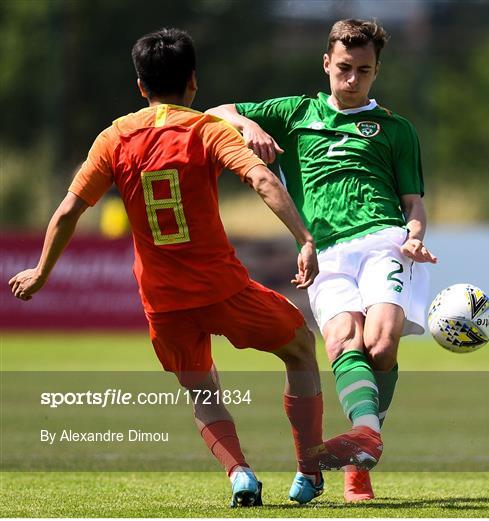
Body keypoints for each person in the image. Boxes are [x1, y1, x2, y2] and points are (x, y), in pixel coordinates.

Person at [8, 28, 379, 507]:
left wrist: (40, 272)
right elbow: (262, 178)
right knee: (300, 348)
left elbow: (67, 212)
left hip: (164, 300)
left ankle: (240, 475)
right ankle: (308, 469)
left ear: (141, 86)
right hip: (224, 289)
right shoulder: (205, 130)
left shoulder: (114, 137)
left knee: (202, 388)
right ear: (194, 82)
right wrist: (304, 238)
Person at [207, 18, 437, 502]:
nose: (353, 80)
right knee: (341, 341)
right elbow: (215, 112)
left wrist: (414, 235)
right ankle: (363, 451)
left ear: (377, 71)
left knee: (381, 346)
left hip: (383, 241)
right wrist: (250, 126)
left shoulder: (396, 129)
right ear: (327, 63)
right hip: (324, 252)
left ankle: (361, 445)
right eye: (345, 68)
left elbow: (413, 201)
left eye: (365, 71)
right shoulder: (295, 112)